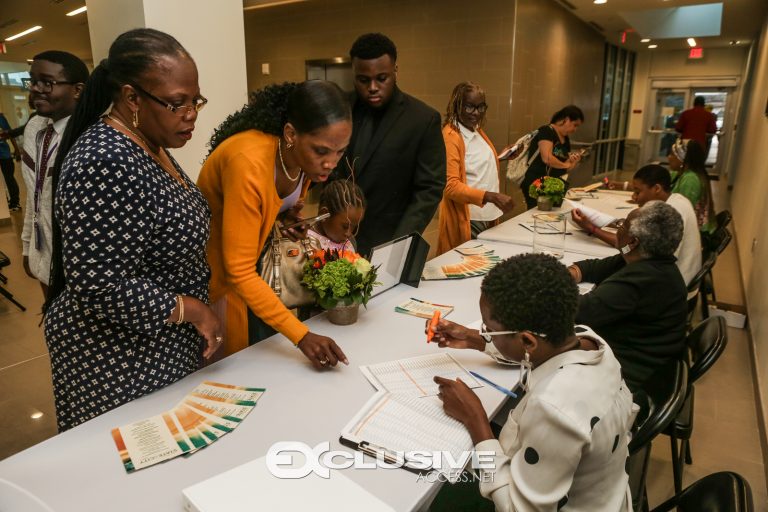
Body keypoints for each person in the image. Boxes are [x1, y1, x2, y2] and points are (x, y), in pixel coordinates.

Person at [44, 28, 221, 431]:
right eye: (177, 103)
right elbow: (98, 285)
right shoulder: (105, 160)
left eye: (196, 101)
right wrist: (192, 309)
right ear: (132, 98)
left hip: (157, 344)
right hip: (117, 360)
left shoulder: (149, 143)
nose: (191, 113)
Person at [429, 253, 635, 511]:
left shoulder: (555, 408)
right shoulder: (589, 340)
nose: (485, 332)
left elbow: (517, 508)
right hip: (607, 492)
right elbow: (538, 352)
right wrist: (475, 339)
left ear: (528, 340)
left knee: (432, 487)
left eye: (489, 328)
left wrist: (476, 421)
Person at [198, 81, 350, 369]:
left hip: (254, 273)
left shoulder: (301, 159)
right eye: (321, 151)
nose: (331, 163)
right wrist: (301, 335)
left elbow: (275, 204)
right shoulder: (249, 163)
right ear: (291, 133)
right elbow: (238, 271)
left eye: (340, 152)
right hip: (216, 282)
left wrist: (286, 217)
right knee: (236, 370)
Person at [332, 33, 446, 256]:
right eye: (363, 80)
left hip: (390, 238)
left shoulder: (422, 119)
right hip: (334, 237)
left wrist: (399, 244)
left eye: (381, 78)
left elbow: (429, 188)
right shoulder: (337, 107)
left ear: (395, 71)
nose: (372, 87)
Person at [568, 201, 687, 392]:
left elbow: (579, 310)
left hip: (628, 378)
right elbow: (594, 267)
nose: (618, 228)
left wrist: (543, 286)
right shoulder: (648, 260)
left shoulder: (643, 278)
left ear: (633, 242)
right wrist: (569, 273)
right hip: (638, 359)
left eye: (623, 224)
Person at [20, 50, 88, 297]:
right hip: (44, 257)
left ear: (77, 90)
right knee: (54, 327)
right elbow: (34, 195)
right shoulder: (35, 128)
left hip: (80, 266)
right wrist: (28, 248)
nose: (36, 89)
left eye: (47, 82)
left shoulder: (91, 139)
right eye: (32, 81)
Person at [572, 164, 701, 291]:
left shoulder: (672, 215)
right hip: (675, 282)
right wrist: (609, 223)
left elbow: (625, 244)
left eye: (638, 192)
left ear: (656, 188)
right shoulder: (678, 200)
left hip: (671, 289)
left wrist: (592, 228)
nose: (634, 197)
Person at [437, 82, 514, 255]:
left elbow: (471, 165)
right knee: (468, 267)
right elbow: (450, 186)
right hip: (470, 218)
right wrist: (491, 196)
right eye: (470, 107)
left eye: (481, 107)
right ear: (457, 105)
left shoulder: (475, 129)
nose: (476, 113)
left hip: (487, 213)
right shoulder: (451, 136)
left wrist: (501, 157)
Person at [521, 105, 584, 209]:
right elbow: (547, 158)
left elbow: (566, 168)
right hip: (537, 183)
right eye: (575, 125)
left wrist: (574, 162)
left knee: (553, 216)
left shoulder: (565, 139)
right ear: (566, 120)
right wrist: (565, 164)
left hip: (555, 186)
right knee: (538, 215)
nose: (575, 129)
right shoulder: (546, 131)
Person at [669, 138, 715, 234]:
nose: (668, 157)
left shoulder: (691, 179)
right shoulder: (681, 174)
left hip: (696, 233)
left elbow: (682, 212)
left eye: (672, 154)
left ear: (682, 159)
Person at [308, 179, 366, 252]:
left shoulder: (350, 242)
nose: (349, 234)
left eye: (354, 227)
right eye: (345, 226)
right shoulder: (305, 243)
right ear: (324, 214)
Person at [0, 111, 21, 211]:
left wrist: (16, 150)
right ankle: (4, 201)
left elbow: (10, 134)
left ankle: (15, 203)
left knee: (9, 178)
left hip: (4, 154)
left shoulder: (1, 118)